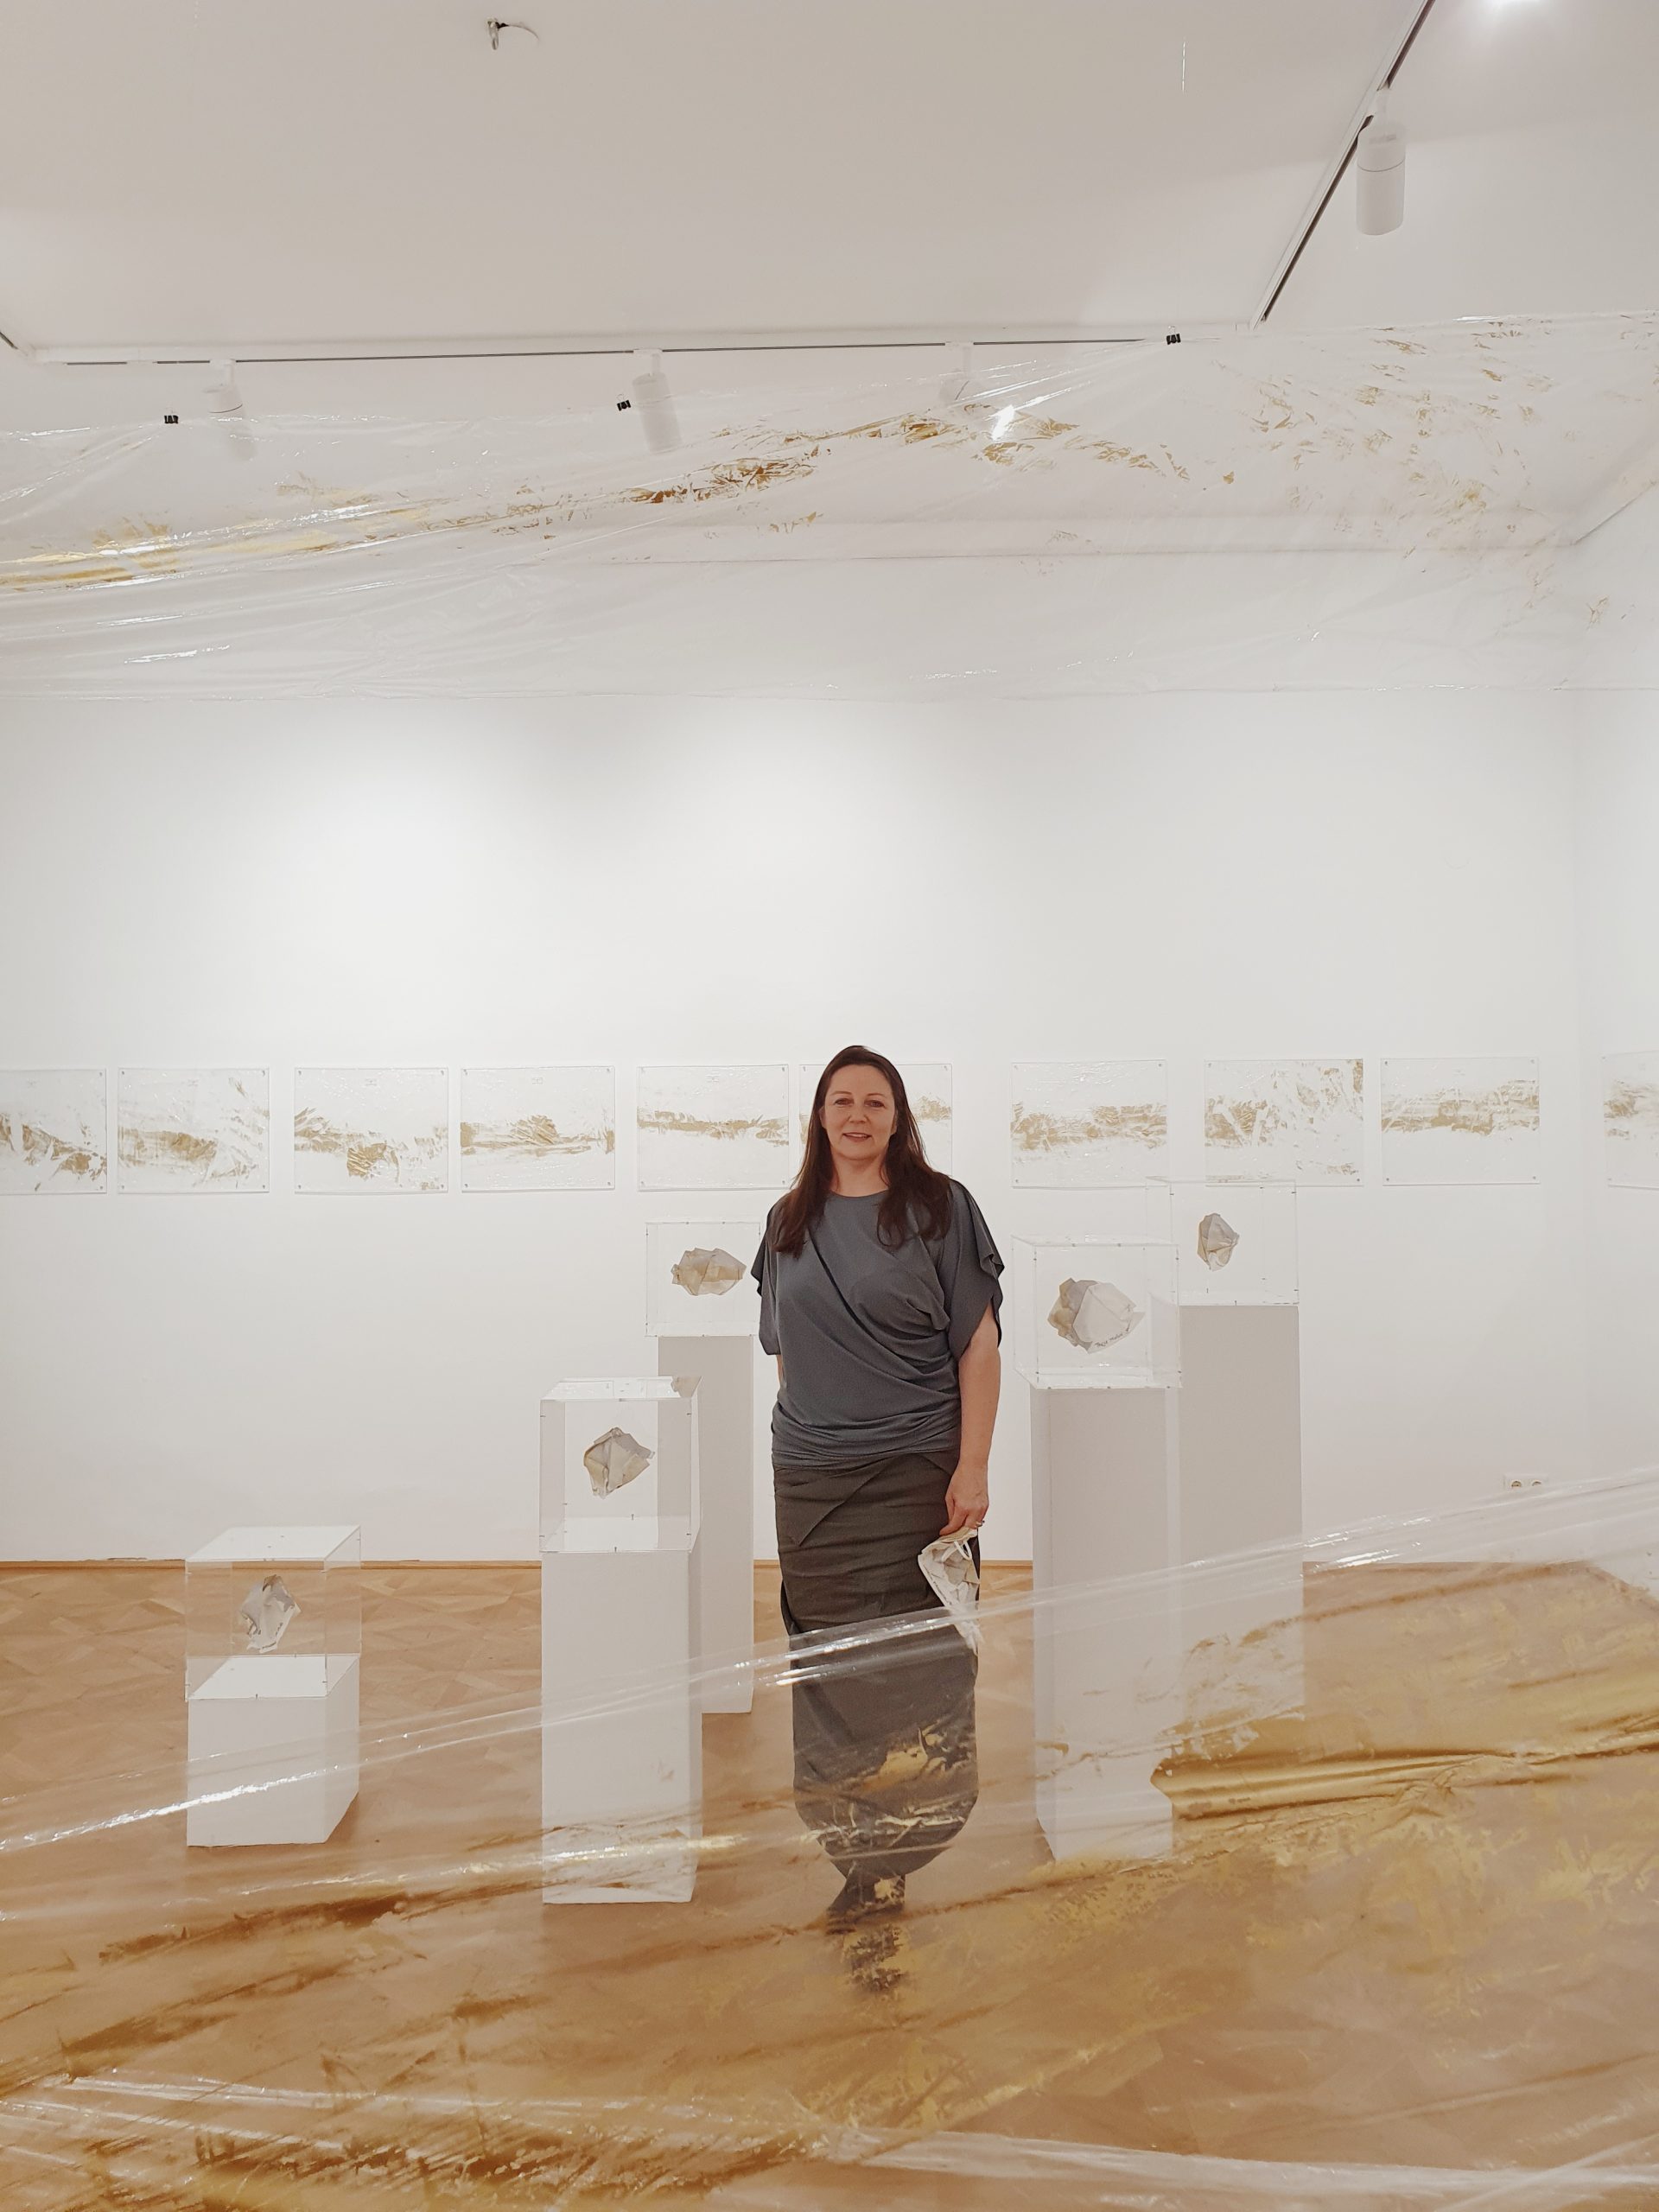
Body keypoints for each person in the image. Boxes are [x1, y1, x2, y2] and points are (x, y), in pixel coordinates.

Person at [751, 1045, 1003, 1929]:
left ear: (899, 1119)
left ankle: (902, 1850)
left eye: (875, 1102)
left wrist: (973, 1465)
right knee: (829, 1674)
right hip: (813, 1484)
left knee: (920, 1667)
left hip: (915, 1475)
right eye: (841, 1100)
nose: (857, 1115)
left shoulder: (941, 1209)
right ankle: (856, 1855)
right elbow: (787, 1354)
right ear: (820, 1116)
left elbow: (978, 1346)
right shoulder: (787, 1219)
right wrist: (810, 1438)